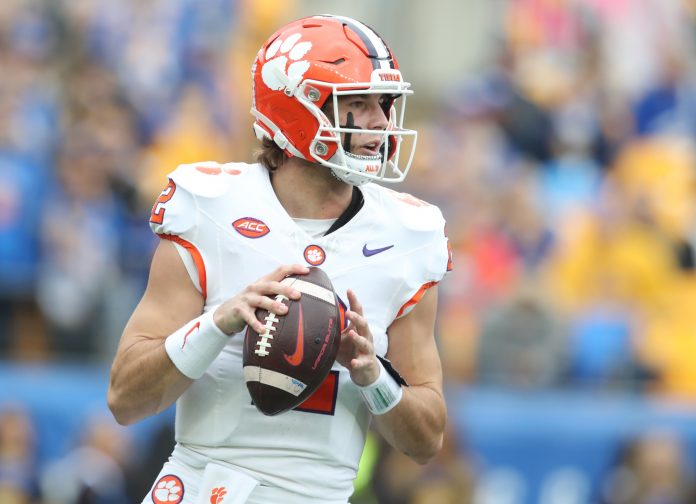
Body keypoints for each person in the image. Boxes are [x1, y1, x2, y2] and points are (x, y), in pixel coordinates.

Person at [107, 14, 452, 504]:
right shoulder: (210, 207)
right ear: (297, 107)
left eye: (385, 102)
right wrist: (220, 322)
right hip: (202, 484)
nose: (380, 121)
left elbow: (426, 440)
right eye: (357, 102)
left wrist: (373, 373)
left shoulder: (409, 236)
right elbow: (125, 399)